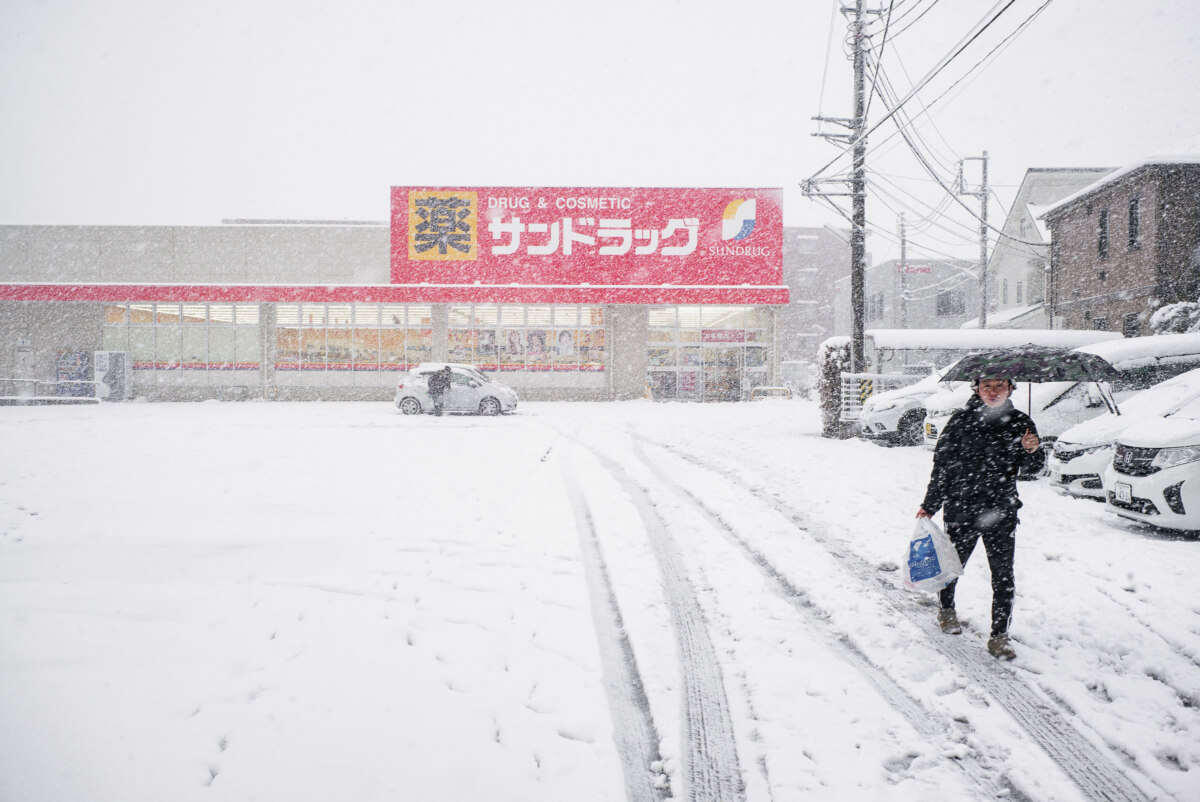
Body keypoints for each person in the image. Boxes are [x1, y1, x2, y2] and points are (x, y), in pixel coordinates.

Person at [916, 374, 1044, 661]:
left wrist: (1033, 450)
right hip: (962, 511)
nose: (994, 391)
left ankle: (999, 636)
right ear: (977, 389)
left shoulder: (1021, 423)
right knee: (952, 567)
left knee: (1003, 576)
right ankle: (947, 610)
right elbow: (942, 467)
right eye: (987, 386)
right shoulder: (960, 422)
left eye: (1000, 385)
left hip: (1002, 511)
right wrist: (930, 503)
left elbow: (1034, 469)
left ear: (1011, 387)